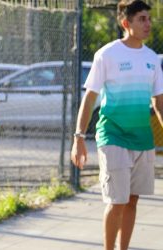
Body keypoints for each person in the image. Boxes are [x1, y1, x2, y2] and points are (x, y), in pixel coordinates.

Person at [71, 1, 163, 249]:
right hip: (113, 136)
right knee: (117, 201)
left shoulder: (152, 59)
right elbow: (90, 98)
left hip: (143, 139)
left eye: (149, 18)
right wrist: (79, 137)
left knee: (132, 200)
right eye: (142, 19)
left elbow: (158, 102)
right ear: (126, 23)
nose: (148, 24)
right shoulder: (107, 54)